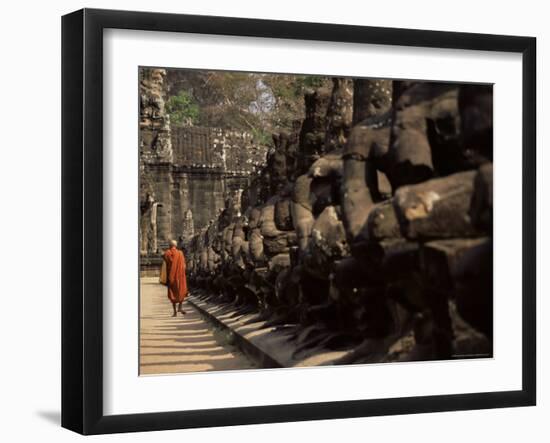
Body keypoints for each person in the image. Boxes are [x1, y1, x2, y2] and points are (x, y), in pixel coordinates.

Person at [163, 240, 188, 316]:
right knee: (181, 291)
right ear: (176, 245)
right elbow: (184, 266)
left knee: (173, 293)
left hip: (171, 277)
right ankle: (180, 307)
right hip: (180, 277)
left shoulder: (167, 253)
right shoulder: (180, 253)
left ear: (170, 246)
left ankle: (174, 312)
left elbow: (165, 264)